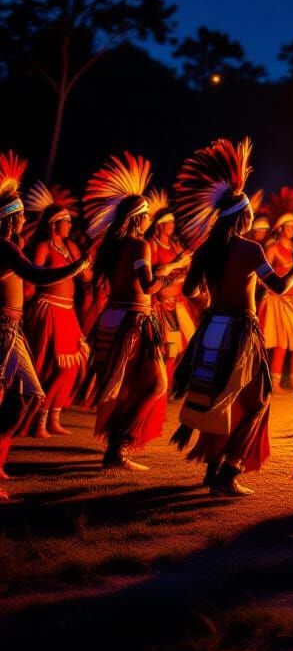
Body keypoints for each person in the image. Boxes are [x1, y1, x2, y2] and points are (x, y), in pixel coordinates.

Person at [170, 139, 293, 497]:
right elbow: (277, 285)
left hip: (212, 327)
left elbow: (189, 291)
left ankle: (214, 469)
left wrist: (211, 308)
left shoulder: (206, 249)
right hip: (242, 332)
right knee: (257, 400)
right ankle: (227, 471)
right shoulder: (249, 249)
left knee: (220, 399)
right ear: (243, 217)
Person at [0, 154, 89, 496]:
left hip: (13, 330)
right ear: (11, 219)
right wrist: (74, 268)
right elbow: (36, 275)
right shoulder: (6, 248)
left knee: (28, 393)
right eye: (21, 214)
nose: (26, 219)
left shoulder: (12, 245)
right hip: (3, 329)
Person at [80, 153, 168, 471]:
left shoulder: (113, 244)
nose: (149, 222)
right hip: (133, 322)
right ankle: (118, 447)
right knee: (157, 384)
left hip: (113, 318)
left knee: (132, 385)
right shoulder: (139, 245)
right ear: (138, 218)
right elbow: (147, 285)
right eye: (145, 216)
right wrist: (169, 274)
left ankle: (116, 448)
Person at [22, 184, 91, 437]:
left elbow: (86, 277)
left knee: (72, 367)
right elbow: (34, 277)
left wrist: (86, 266)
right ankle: (38, 421)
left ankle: (54, 418)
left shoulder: (71, 246)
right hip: (49, 309)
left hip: (68, 312)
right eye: (66, 222)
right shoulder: (43, 246)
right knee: (53, 367)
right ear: (54, 224)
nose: (70, 225)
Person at [144, 192, 194, 431]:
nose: (174, 225)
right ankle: (153, 403)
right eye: (171, 222)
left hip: (176, 306)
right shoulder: (152, 246)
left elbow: (181, 271)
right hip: (160, 307)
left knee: (178, 353)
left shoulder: (175, 245)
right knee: (163, 355)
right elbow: (158, 272)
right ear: (161, 224)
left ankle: (163, 402)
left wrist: (183, 266)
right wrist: (177, 264)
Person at [259, 187, 293, 390]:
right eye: (288, 226)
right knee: (281, 342)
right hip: (279, 300)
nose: (292, 229)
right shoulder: (272, 249)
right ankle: (274, 380)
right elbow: (261, 274)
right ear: (280, 228)